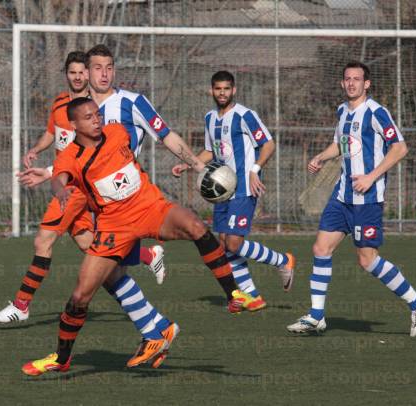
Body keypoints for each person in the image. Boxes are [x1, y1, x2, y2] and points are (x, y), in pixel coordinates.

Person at [21, 98, 250, 375]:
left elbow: (166, 137)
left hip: (150, 208)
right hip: (113, 226)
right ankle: (62, 357)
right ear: (73, 125)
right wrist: (59, 189)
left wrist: (196, 165)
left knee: (195, 226)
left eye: (97, 114)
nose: (96, 120)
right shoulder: (69, 156)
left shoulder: (118, 132)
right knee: (81, 296)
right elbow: (61, 176)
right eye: (88, 117)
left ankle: (234, 294)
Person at [0, 51, 164, 324]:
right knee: (87, 243)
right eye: (73, 72)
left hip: (76, 188)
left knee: (43, 241)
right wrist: (37, 151)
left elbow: (86, 155)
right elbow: (54, 135)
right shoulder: (61, 104)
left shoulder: (93, 111)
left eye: (83, 71)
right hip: (66, 181)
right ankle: (146, 258)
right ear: (67, 75)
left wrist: (49, 176)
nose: (79, 76)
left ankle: (21, 304)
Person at [286, 61, 416, 337]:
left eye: (357, 79)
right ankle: (316, 316)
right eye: (347, 79)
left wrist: (371, 176)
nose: (352, 83)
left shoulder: (376, 112)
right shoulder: (342, 111)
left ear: (367, 84)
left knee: (367, 260)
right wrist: (321, 156)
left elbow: (400, 148)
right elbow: (340, 143)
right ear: (342, 83)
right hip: (342, 196)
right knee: (321, 248)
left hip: (368, 198)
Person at [172, 71, 295, 311]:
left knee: (235, 244)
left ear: (234, 90)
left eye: (226, 89)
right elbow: (211, 151)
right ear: (211, 90)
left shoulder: (245, 115)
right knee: (224, 243)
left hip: (244, 188)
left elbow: (268, 144)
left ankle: (282, 260)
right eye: (218, 89)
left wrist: (255, 169)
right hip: (222, 190)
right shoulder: (209, 118)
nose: (222, 93)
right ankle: (252, 296)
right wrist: (189, 164)